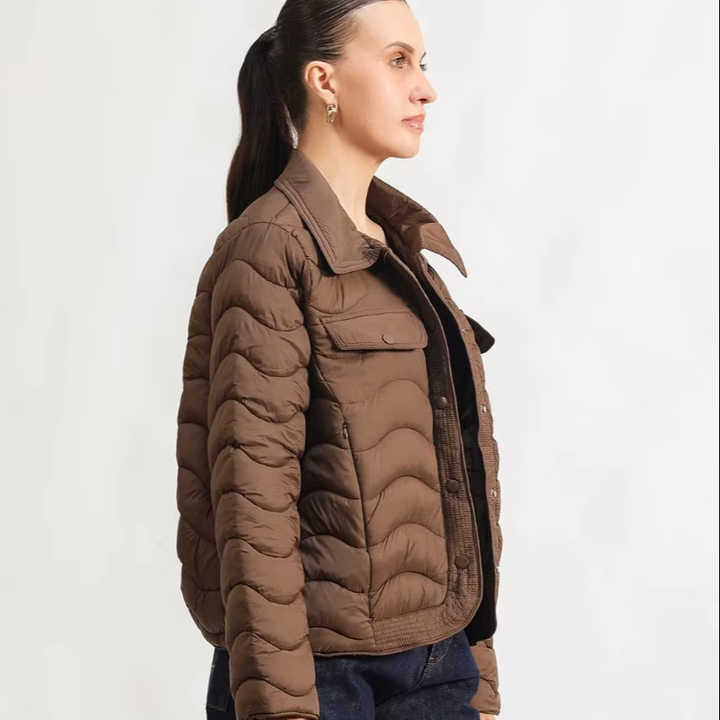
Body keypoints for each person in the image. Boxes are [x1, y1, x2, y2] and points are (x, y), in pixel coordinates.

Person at [175, 2, 504, 718]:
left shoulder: (403, 252)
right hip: (321, 677)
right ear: (324, 81)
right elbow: (252, 501)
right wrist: (284, 707)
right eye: (397, 61)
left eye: (421, 63)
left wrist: (475, 673)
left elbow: (457, 479)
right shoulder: (270, 249)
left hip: (435, 662)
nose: (425, 88)